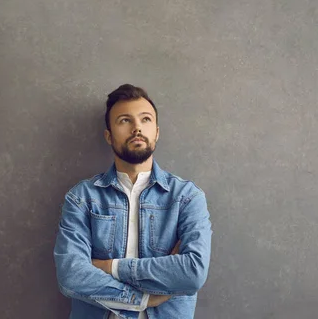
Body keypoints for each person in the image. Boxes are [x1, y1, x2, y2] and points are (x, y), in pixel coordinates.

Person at [53, 84, 212, 319]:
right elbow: (71, 275)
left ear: (156, 132)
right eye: (124, 121)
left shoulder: (187, 197)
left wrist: (109, 267)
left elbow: (193, 272)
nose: (137, 128)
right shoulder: (82, 198)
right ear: (109, 136)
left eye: (145, 119)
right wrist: (144, 299)